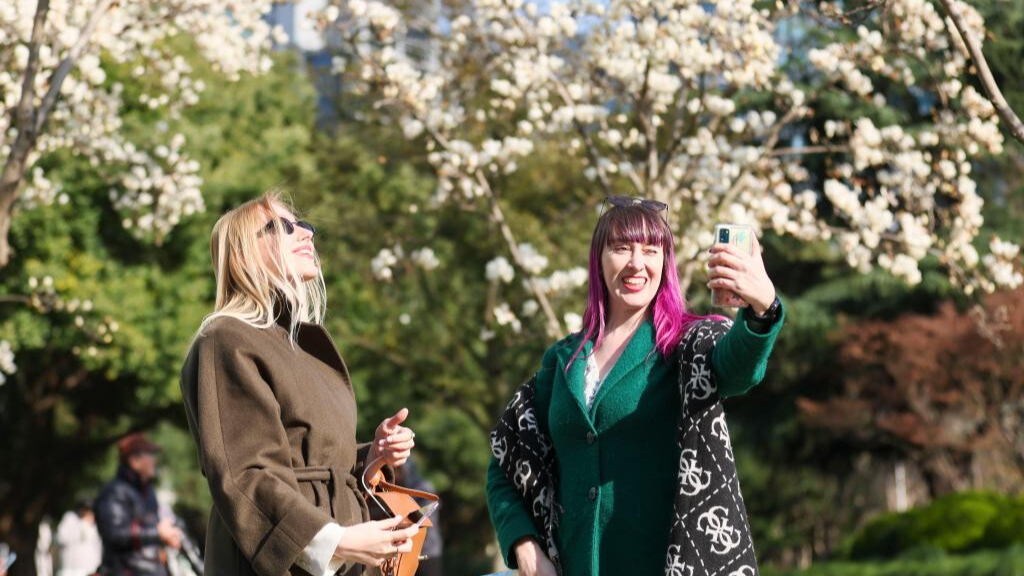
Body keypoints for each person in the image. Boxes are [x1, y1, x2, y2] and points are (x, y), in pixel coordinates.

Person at [485, 197, 785, 576]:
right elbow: (504, 459)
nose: (636, 263)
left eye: (650, 249)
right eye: (621, 247)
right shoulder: (562, 360)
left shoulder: (688, 344)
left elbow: (738, 367)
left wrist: (763, 309)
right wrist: (524, 548)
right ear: (599, 260)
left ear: (665, 262)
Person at [179, 191, 420, 576]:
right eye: (283, 227)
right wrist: (336, 540)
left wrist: (370, 456)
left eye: (304, 225)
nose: (306, 234)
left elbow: (311, 461)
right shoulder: (225, 338)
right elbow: (245, 474)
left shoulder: (304, 347)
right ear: (243, 253)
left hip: (343, 558)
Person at [95, 433, 183, 576]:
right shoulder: (114, 491)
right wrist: (159, 534)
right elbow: (115, 535)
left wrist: (167, 537)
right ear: (134, 461)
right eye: (150, 455)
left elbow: (150, 531)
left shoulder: (148, 491)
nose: (154, 461)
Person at [55, 500, 102, 576]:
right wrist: (83, 524)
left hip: (91, 570)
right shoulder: (70, 518)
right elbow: (61, 538)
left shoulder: (95, 526)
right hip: (71, 570)